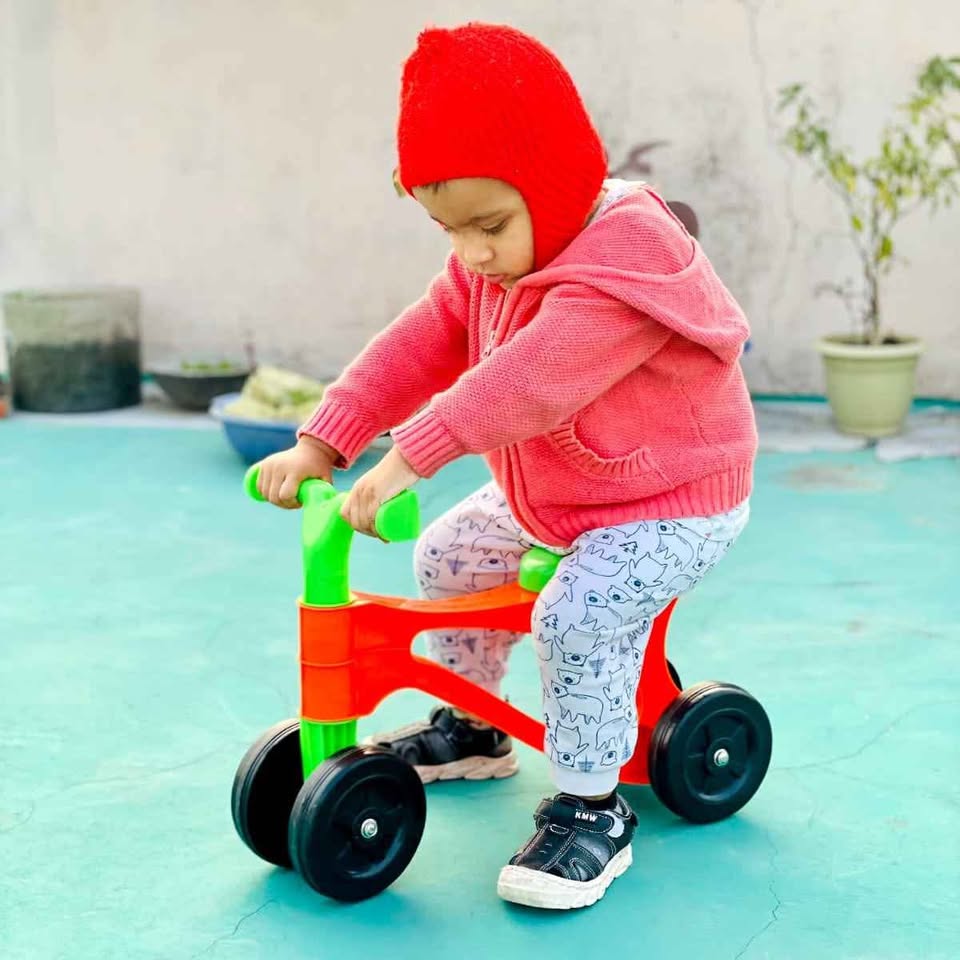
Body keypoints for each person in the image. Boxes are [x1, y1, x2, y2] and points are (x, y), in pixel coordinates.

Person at [256, 22, 757, 910]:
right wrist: (326, 438)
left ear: (554, 190)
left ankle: (593, 809)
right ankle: (475, 728)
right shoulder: (489, 264)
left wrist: (409, 455)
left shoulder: (625, 271)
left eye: (489, 225)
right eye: (449, 229)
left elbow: (527, 383)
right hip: (564, 493)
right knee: (448, 557)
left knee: (578, 616)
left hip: (668, 499)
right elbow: (419, 341)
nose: (472, 253)